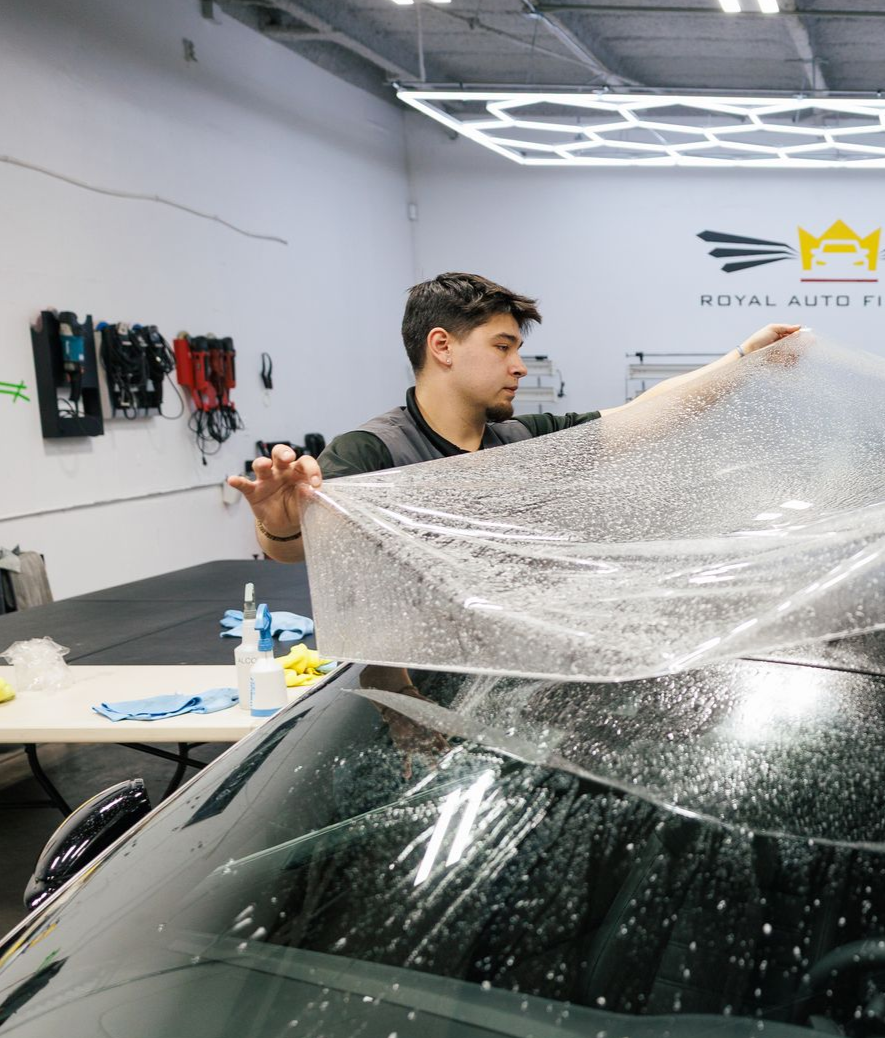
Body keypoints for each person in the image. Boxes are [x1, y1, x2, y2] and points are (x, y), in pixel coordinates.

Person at [226, 272, 799, 766]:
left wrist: (746, 360)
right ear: (442, 346)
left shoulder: (521, 441)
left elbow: (647, 414)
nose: (519, 367)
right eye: (503, 347)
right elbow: (297, 548)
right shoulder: (372, 452)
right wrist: (278, 524)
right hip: (409, 707)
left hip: (519, 696)